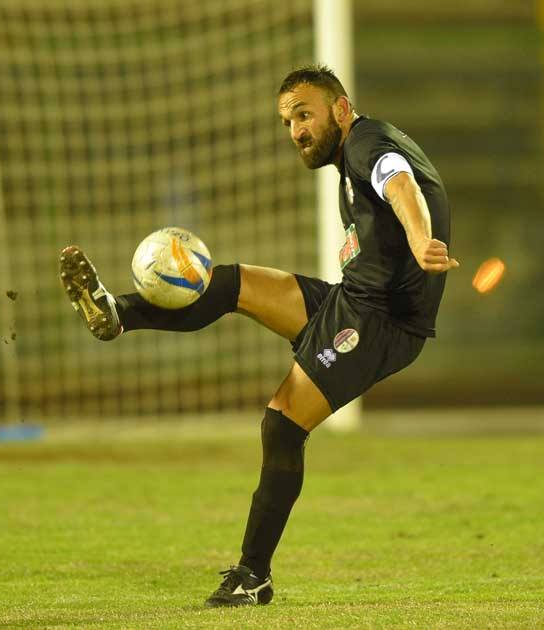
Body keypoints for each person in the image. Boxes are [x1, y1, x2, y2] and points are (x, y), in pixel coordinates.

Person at [58, 64, 457, 607]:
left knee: (282, 425)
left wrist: (420, 238)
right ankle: (116, 313)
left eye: (305, 115)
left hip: (379, 321)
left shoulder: (368, 143)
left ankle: (253, 574)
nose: (296, 130)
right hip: (352, 298)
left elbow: (400, 182)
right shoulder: (353, 154)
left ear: (341, 109)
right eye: (288, 120)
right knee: (232, 284)